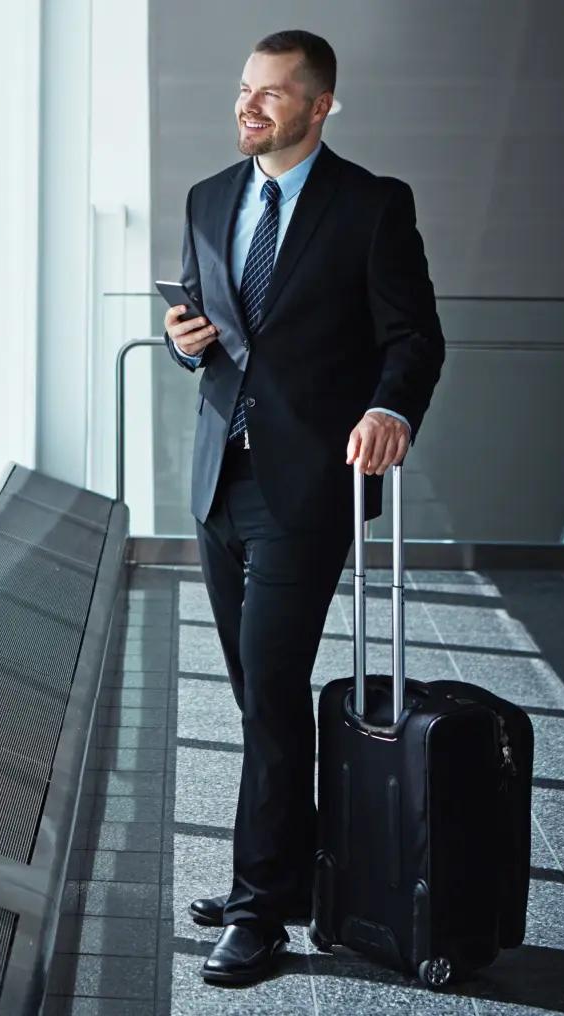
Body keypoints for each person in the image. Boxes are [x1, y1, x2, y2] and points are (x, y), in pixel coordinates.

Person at [162, 29, 445, 986]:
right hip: (218, 483)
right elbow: (209, 332)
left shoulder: (370, 206)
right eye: (244, 90)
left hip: (307, 488)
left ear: (320, 105)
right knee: (256, 695)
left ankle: (258, 915)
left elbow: (412, 336)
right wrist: (181, 339)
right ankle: (290, 874)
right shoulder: (207, 198)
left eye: (272, 95)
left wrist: (388, 405)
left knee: (272, 690)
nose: (249, 108)